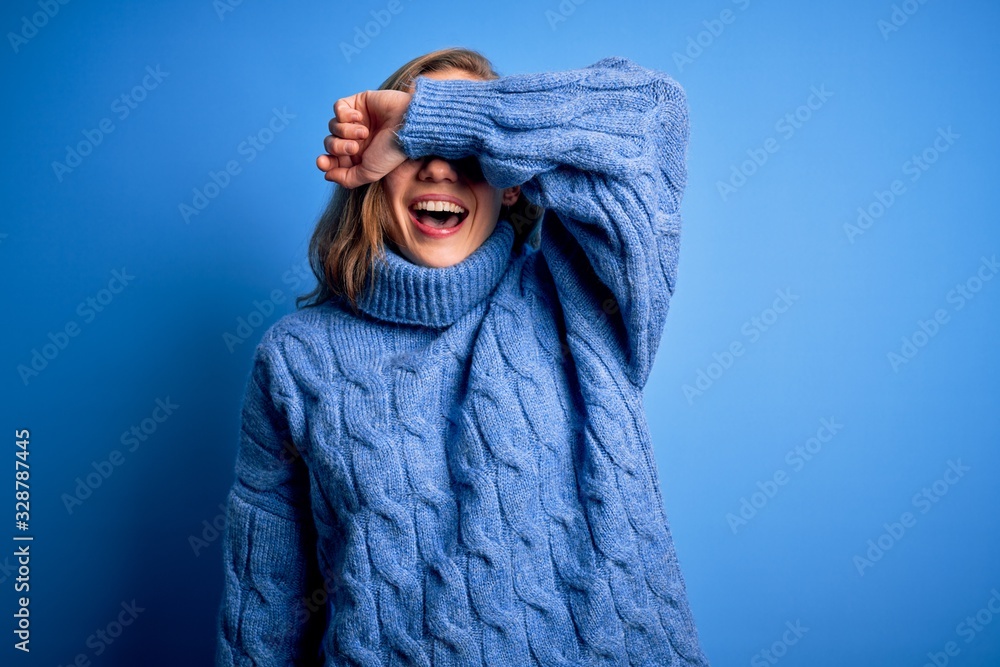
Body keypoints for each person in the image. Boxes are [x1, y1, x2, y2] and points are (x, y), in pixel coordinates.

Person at [214, 46, 710, 666]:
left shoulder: (578, 295)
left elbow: (653, 113)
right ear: (376, 175)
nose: (441, 169)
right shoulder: (296, 360)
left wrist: (434, 117)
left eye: (467, 148)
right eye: (416, 148)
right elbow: (266, 601)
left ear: (511, 184)